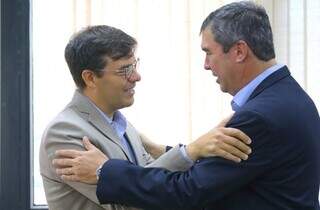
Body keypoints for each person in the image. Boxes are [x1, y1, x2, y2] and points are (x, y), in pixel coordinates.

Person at [53, 1, 320, 210]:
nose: (206, 65)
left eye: (208, 52)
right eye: (125, 70)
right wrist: (175, 151)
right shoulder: (288, 98)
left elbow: (186, 191)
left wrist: (103, 170)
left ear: (239, 51)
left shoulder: (260, 117)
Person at [40, 25, 252, 210]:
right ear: (90, 77)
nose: (136, 77)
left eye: (135, 65)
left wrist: (194, 151)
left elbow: (157, 182)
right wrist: (191, 151)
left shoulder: (122, 125)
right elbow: (131, 203)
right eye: (125, 70)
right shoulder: (64, 131)